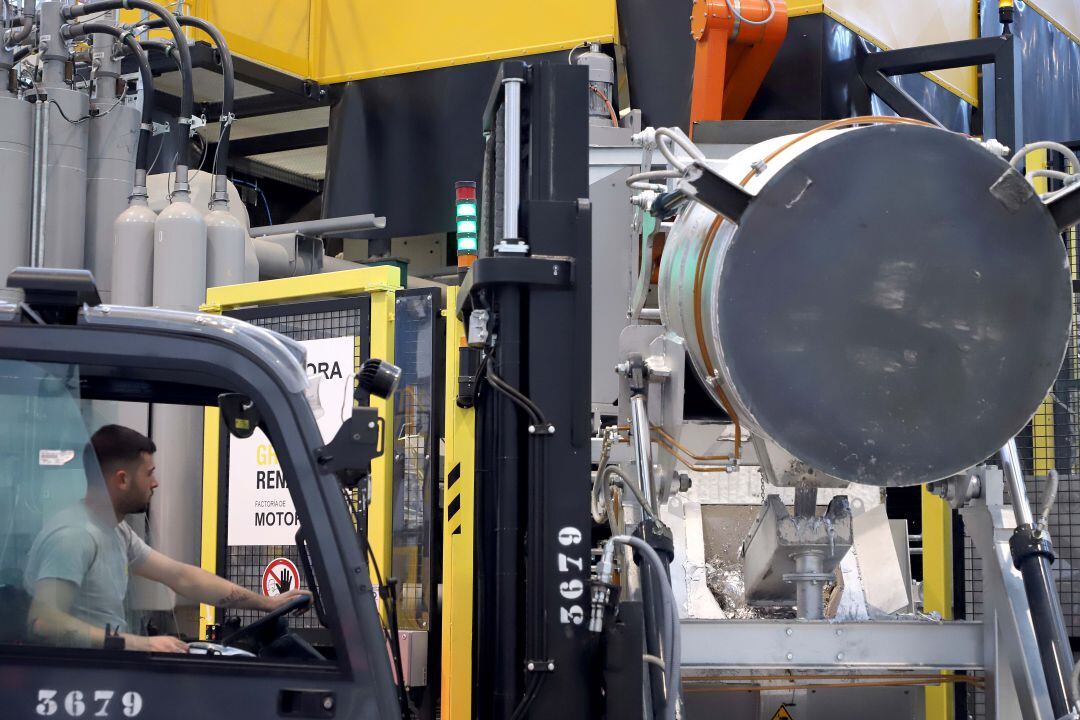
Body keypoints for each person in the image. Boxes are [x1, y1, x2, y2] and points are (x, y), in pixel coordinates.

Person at [24, 424, 310, 652]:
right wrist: (141, 643)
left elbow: (181, 577)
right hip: (78, 687)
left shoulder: (114, 529)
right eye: (149, 474)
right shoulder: (75, 536)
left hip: (105, 676)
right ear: (122, 480)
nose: (155, 483)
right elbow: (44, 622)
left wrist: (267, 603)